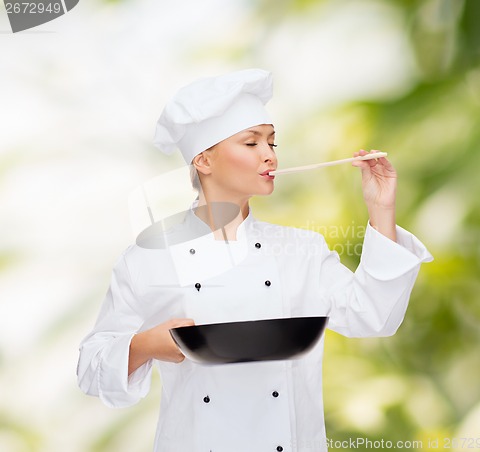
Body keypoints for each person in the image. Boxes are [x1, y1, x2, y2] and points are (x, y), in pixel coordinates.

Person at [77, 68, 433, 452]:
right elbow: (91, 370)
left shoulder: (301, 251)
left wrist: (381, 208)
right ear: (204, 161)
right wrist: (144, 345)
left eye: (272, 142)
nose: (270, 155)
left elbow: (374, 317)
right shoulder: (149, 260)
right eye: (251, 143)